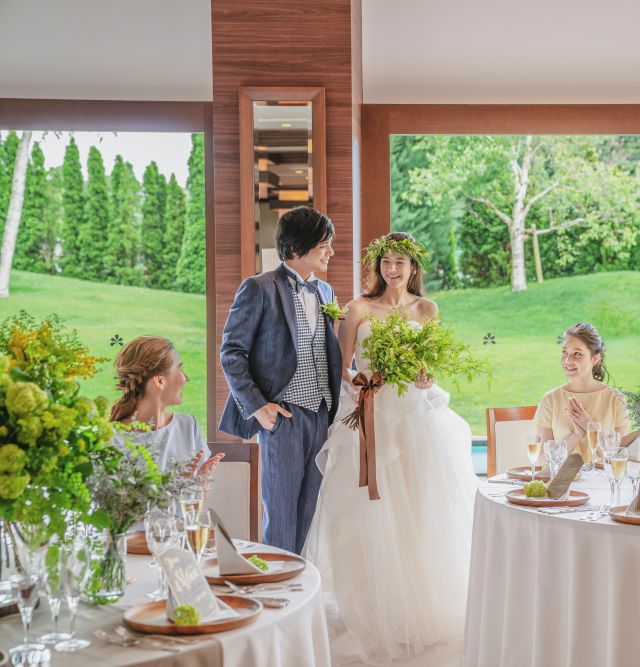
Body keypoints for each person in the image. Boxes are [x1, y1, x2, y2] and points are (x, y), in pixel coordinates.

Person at [302, 232, 478, 664]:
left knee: (419, 509)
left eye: (401, 262)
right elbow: (339, 366)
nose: (393, 269)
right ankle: (373, 608)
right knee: (366, 515)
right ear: (377, 266)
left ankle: (419, 607)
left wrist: (425, 377)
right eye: (386, 262)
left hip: (415, 420)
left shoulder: (427, 309)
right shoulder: (358, 308)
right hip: (371, 413)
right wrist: (364, 385)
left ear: (413, 267)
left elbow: (428, 369)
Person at [218, 206, 343, 554]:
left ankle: (301, 591)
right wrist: (258, 407)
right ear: (297, 248)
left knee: (312, 512)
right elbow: (231, 352)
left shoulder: (327, 293)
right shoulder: (259, 288)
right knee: (282, 514)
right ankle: (277, 592)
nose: (330, 252)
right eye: (324, 245)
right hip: (282, 417)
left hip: (322, 414)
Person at [109, 336, 222, 477]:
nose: (186, 378)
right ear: (160, 380)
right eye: (179, 369)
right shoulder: (112, 439)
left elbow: (199, 496)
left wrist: (203, 478)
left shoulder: (188, 426)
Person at [534, 323, 629, 460]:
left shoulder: (616, 400)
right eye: (565, 352)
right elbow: (543, 458)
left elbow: (618, 459)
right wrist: (576, 435)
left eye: (577, 354)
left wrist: (590, 426)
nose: (567, 360)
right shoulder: (550, 399)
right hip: (564, 481)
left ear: (595, 358)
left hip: (603, 481)